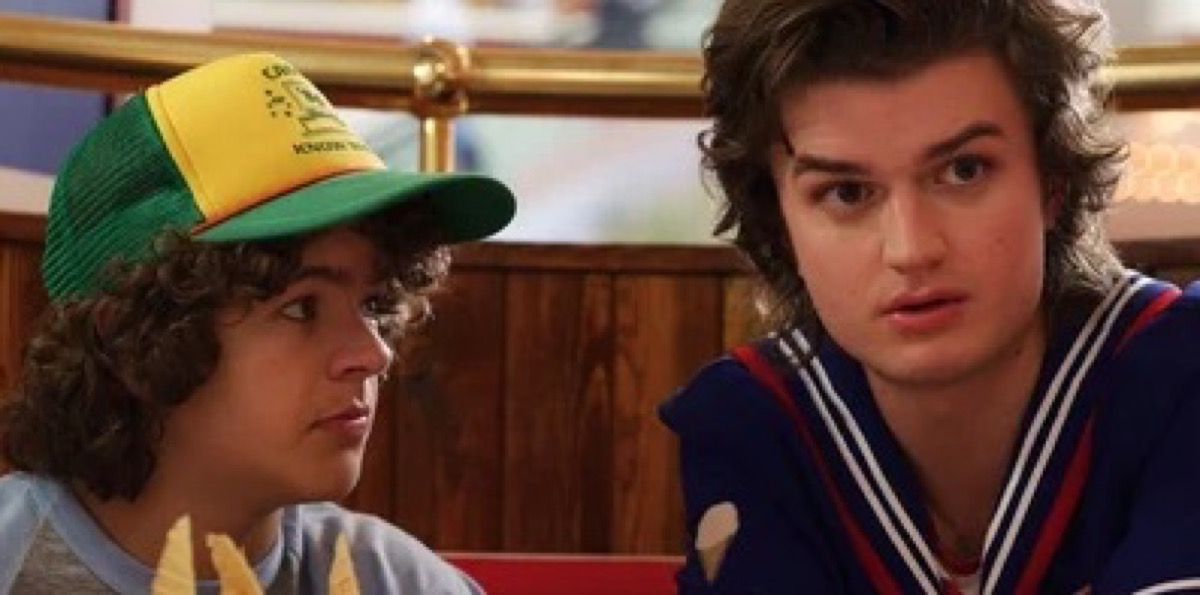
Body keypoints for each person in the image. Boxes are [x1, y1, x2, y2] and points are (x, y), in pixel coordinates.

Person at [659, 0, 1200, 593]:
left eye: (964, 171)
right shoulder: (752, 421)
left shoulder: (1178, 374)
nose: (911, 249)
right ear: (780, 224)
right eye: (846, 192)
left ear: (1053, 182)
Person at [0, 52, 515, 593]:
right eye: (301, 307)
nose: (374, 354)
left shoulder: (401, 583)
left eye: (372, 304)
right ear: (127, 341)